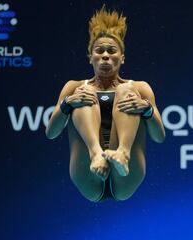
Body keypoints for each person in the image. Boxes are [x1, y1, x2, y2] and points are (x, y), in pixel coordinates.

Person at [45, 6, 165, 202]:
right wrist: (67, 104)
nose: (105, 56)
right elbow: (51, 133)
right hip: (87, 171)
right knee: (83, 93)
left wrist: (147, 110)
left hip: (128, 173)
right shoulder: (74, 87)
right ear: (90, 58)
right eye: (99, 51)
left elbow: (159, 137)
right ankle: (96, 154)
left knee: (126, 91)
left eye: (112, 51)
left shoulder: (140, 88)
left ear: (122, 58)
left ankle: (122, 154)